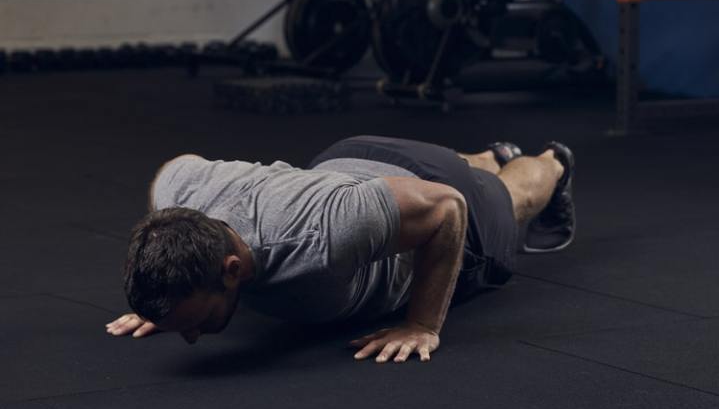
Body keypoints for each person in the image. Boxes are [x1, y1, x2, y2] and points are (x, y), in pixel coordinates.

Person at [106, 135, 574, 364]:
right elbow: (175, 167)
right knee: (453, 168)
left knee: (512, 198)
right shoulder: (182, 193)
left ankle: (553, 160)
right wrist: (170, 298)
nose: (192, 337)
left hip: (422, 198)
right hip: (346, 163)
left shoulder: (323, 234)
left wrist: (421, 323)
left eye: (198, 323)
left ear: (231, 269)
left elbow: (447, 207)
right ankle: (489, 154)